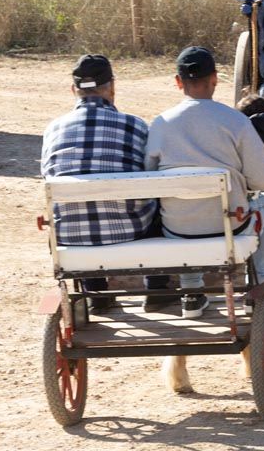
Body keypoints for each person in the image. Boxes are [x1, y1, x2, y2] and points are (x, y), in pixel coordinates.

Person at [145, 47, 264, 318]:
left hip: (177, 230)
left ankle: (192, 292)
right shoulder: (237, 122)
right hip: (230, 226)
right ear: (215, 79)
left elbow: (149, 177)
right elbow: (261, 179)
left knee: (181, 208)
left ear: (177, 82)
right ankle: (257, 281)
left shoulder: (160, 124)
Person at [41, 54, 172, 313]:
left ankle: (97, 292)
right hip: (129, 231)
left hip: (70, 235)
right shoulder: (135, 125)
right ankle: (156, 289)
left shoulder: (53, 128)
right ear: (112, 87)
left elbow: (48, 174)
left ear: (73, 90)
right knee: (158, 199)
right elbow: (151, 175)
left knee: (78, 208)